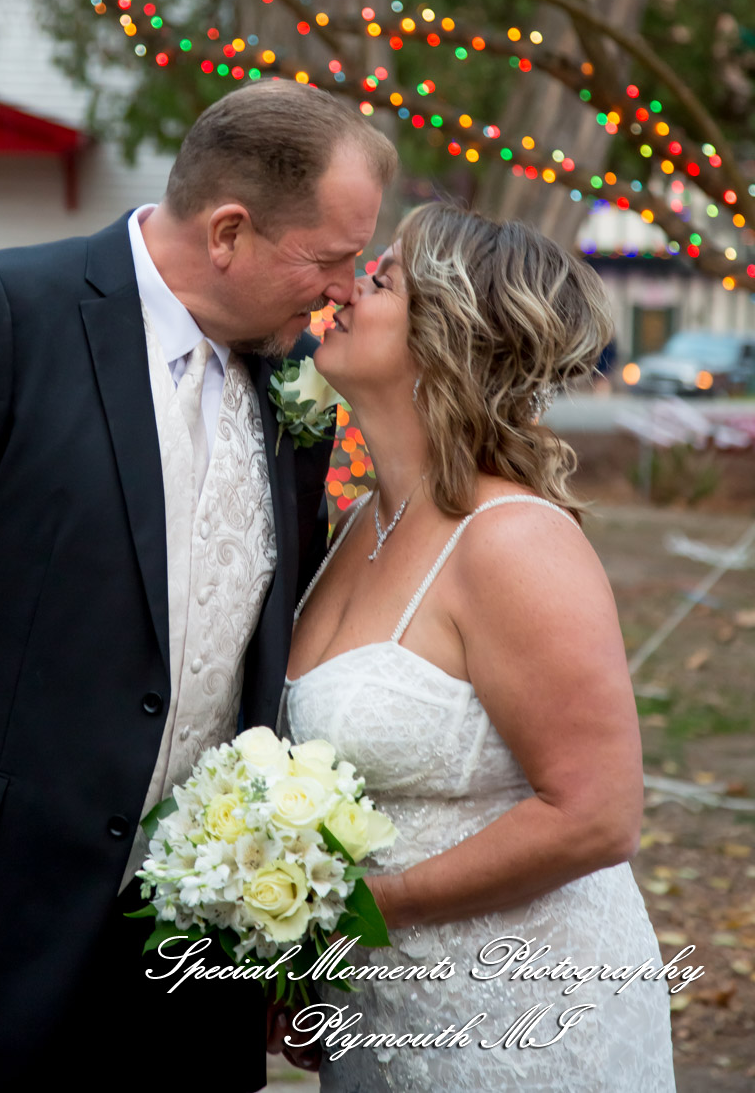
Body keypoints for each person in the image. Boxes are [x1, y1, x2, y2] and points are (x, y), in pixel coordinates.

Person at [0, 80, 397, 1092]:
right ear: (229, 231)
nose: (340, 288)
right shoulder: (0, 311)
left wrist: (276, 939)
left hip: (191, 962)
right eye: (327, 258)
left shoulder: (295, 390)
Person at [281, 203, 676, 1092]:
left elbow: (596, 814)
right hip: (381, 1021)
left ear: (445, 335)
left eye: (380, 280)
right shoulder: (354, 529)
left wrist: (367, 913)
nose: (343, 289)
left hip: (523, 1026)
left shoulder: (512, 541)